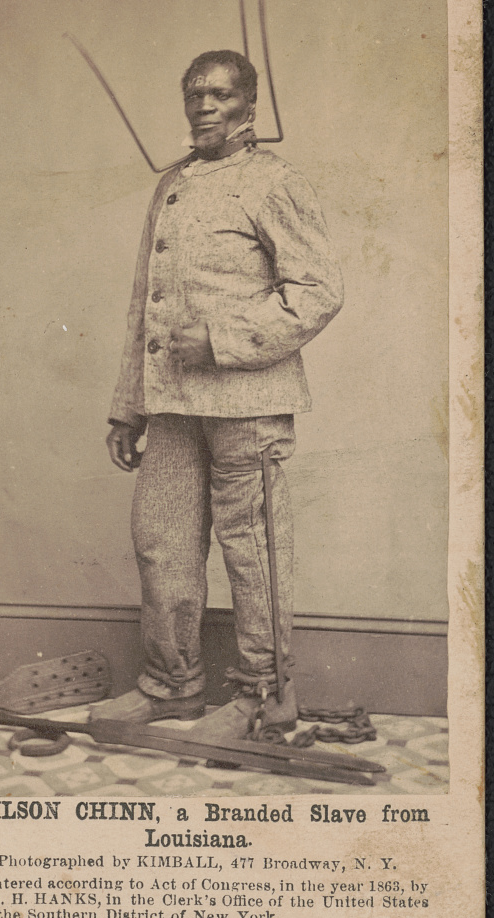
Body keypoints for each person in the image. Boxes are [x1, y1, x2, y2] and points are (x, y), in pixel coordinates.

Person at [92, 50, 343, 740]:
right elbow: (146, 306)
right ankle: (171, 686)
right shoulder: (170, 187)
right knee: (161, 546)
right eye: (193, 94)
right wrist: (128, 405)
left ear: (250, 108)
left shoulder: (273, 183)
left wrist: (226, 338)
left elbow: (318, 291)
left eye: (219, 94)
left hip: (247, 403)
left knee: (252, 550)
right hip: (171, 406)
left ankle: (266, 695)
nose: (203, 105)